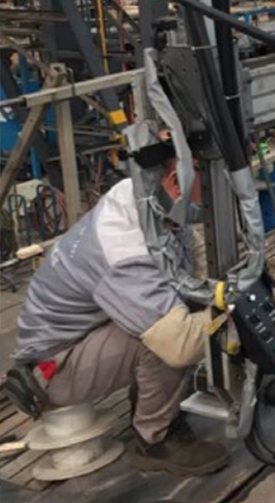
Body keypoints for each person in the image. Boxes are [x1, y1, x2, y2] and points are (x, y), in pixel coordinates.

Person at [5, 151, 229, 477]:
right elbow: (179, 344)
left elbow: (191, 252)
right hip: (52, 369)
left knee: (176, 312)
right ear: (174, 181)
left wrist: (217, 291)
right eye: (206, 179)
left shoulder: (146, 199)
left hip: (81, 341)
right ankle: (156, 441)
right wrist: (231, 311)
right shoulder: (122, 242)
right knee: (168, 339)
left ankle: (154, 401)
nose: (214, 190)